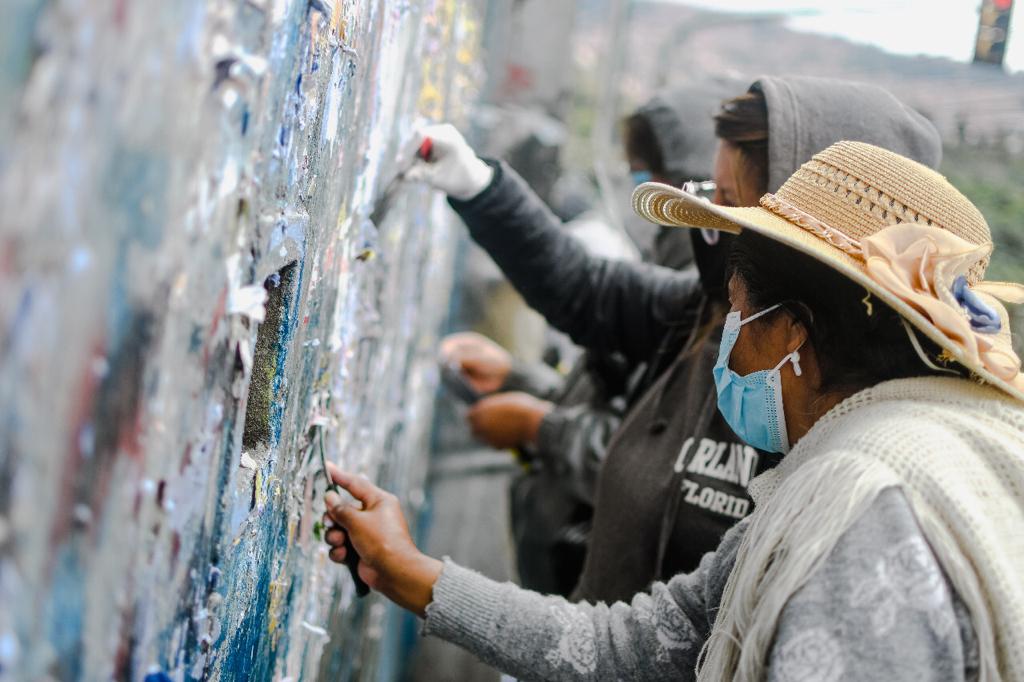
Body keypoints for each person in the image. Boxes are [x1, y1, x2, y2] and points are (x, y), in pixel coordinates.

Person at [323, 141, 1024, 679]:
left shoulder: (861, 509)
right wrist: (411, 574)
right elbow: (642, 646)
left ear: (791, 333)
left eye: (738, 312)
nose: (727, 338)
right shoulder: (855, 462)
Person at [424, 76, 944, 605]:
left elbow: (651, 639)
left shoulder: (843, 463)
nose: (709, 229)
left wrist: (429, 583)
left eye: (730, 204)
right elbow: (587, 290)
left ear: (800, 241)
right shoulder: (709, 315)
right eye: (708, 197)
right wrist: (478, 186)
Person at [440, 83, 735, 596]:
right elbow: (585, 294)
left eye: (646, 177)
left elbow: (656, 468)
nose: (642, 194)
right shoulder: (688, 280)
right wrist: (520, 380)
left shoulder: (725, 309)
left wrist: (539, 426)